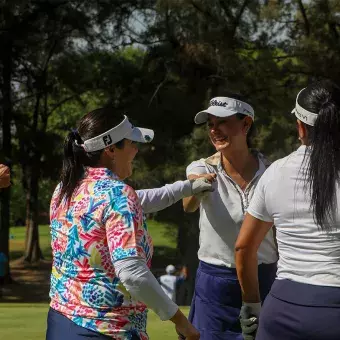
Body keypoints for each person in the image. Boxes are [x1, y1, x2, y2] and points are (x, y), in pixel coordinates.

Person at [46, 107, 209, 340]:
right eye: (132, 142)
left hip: (60, 323)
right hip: (106, 330)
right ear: (111, 148)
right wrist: (181, 321)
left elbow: (140, 199)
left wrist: (188, 187)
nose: (136, 149)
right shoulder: (118, 196)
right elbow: (132, 274)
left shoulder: (65, 189)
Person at [235, 80, 340, 340]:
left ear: (301, 127)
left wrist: (252, 306)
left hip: (282, 309)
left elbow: (244, 248)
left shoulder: (275, 173)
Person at [183, 96, 278, 340]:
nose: (215, 130)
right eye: (210, 124)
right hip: (216, 284)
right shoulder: (202, 167)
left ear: (246, 125)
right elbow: (188, 205)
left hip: (265, 278)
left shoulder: (273, 171)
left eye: (222, 122)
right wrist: (195, 188)